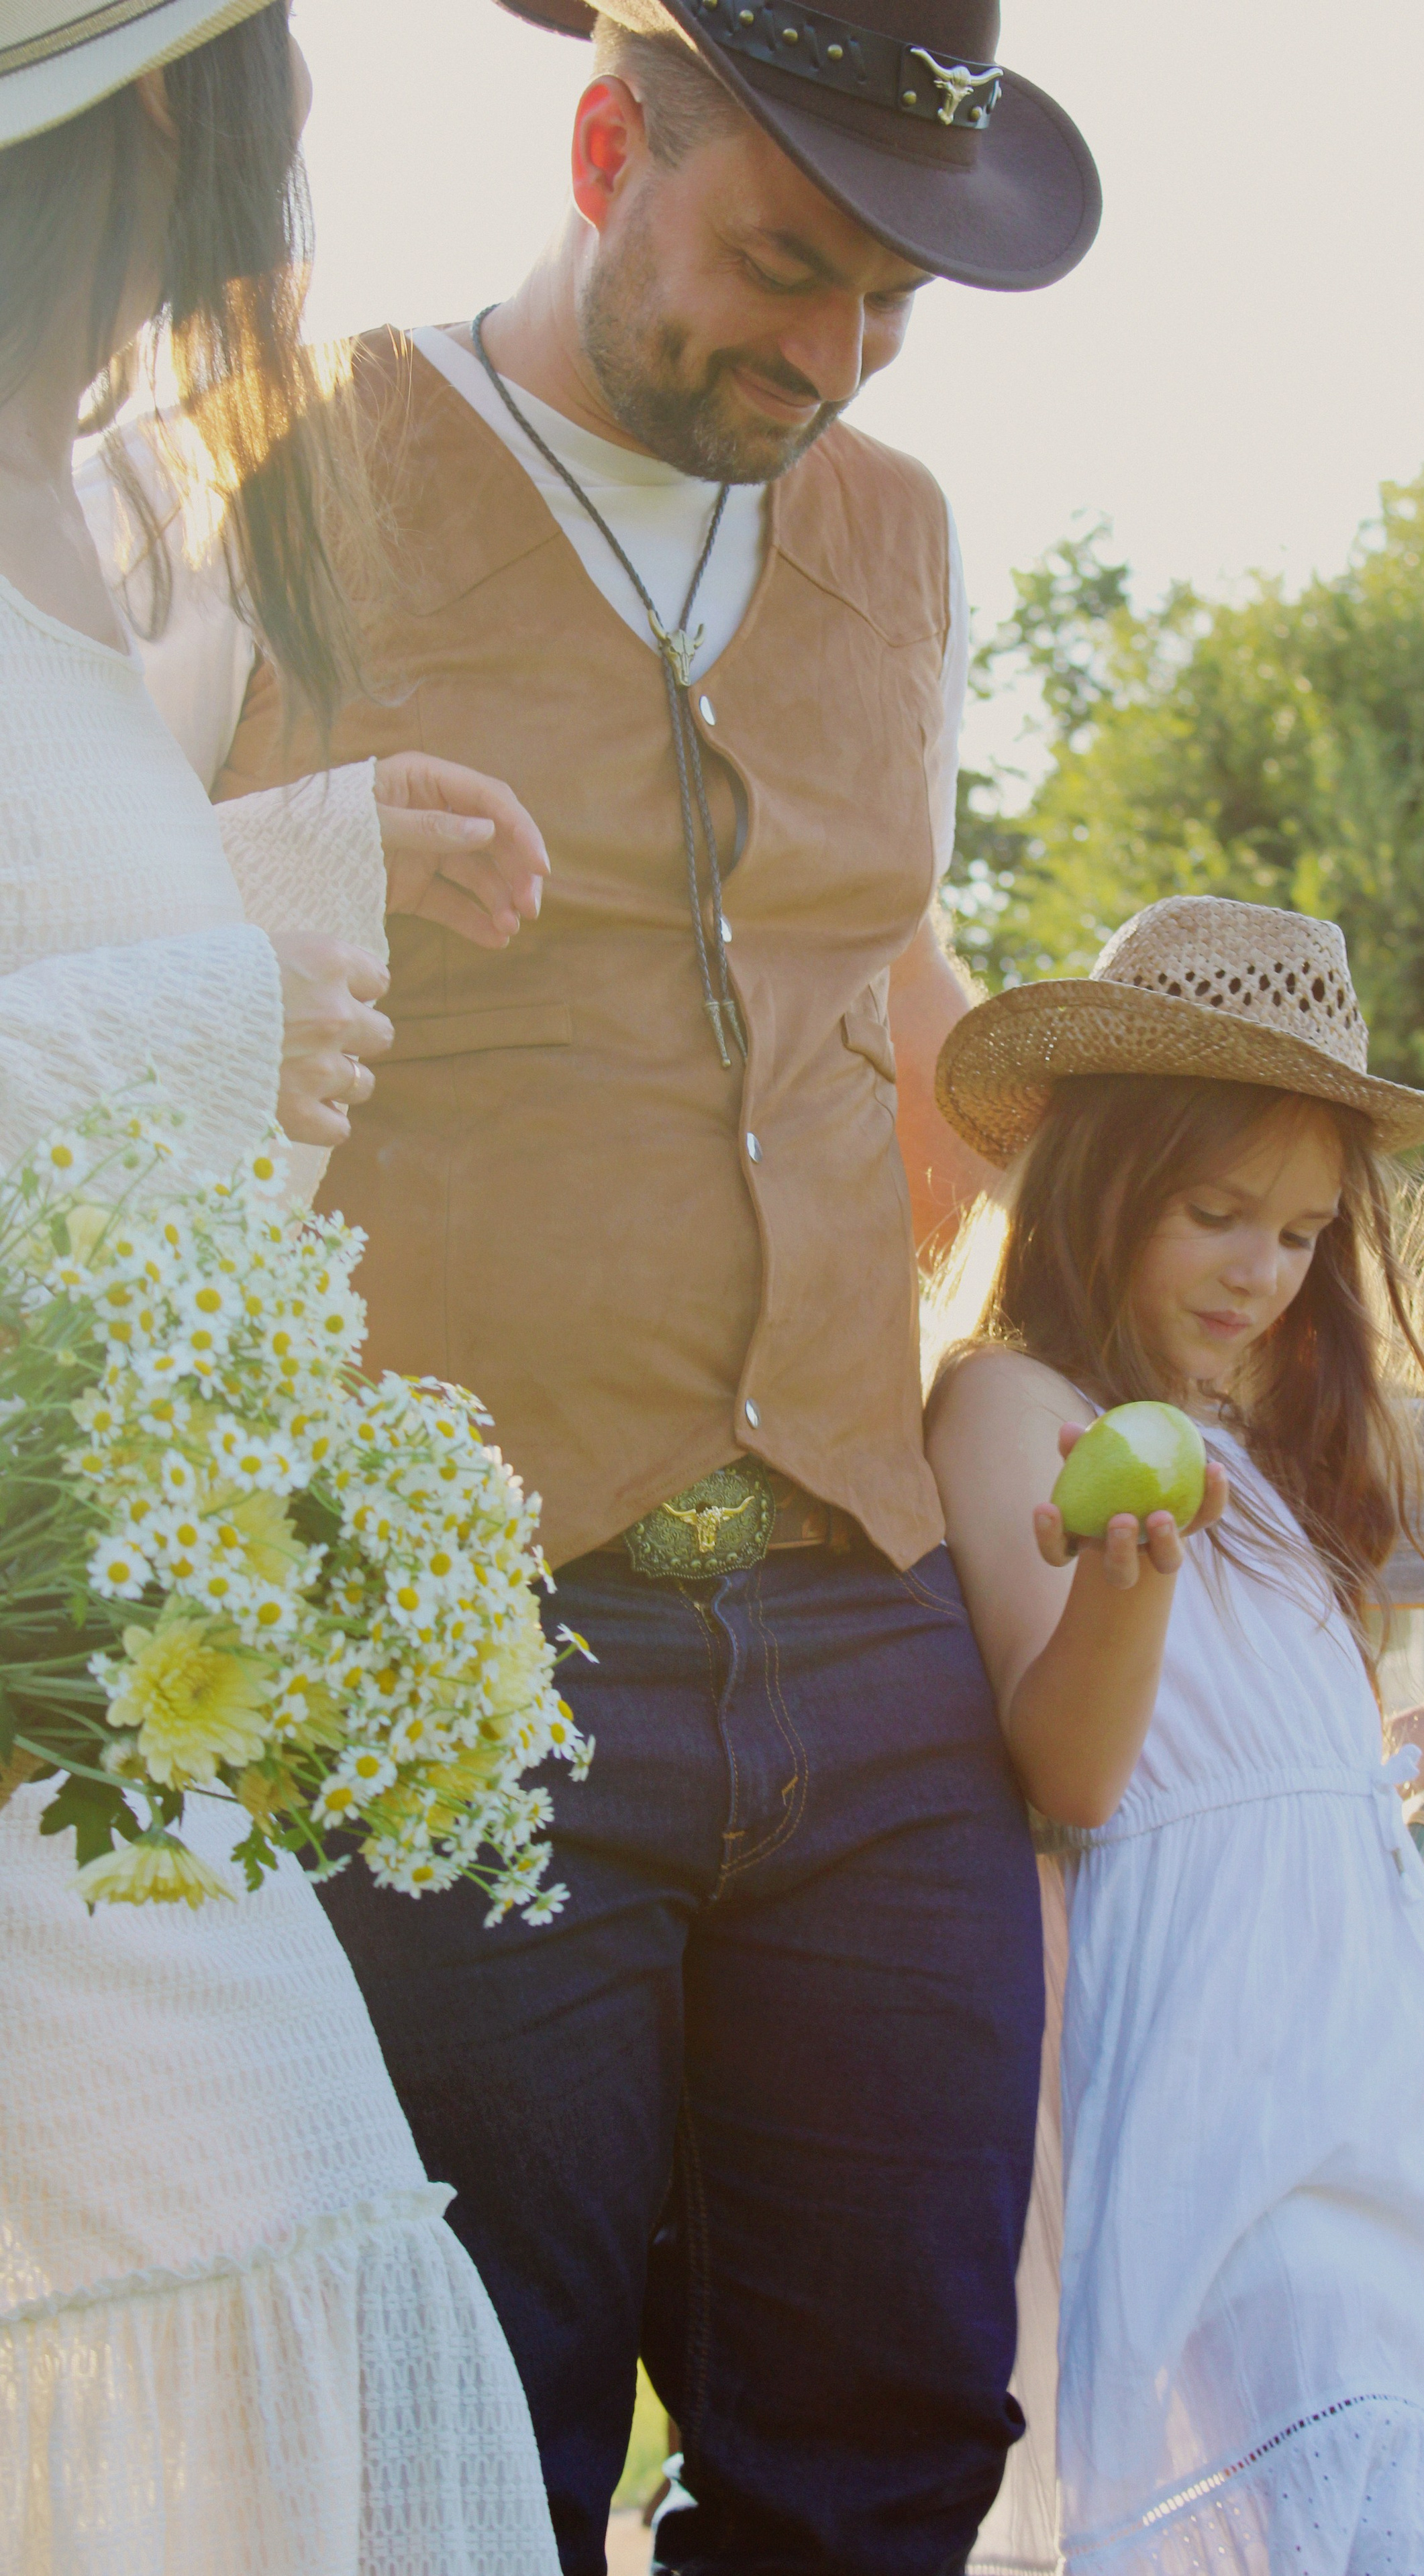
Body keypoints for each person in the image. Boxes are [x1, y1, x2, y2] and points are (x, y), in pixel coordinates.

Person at [214, 3, 1101, 2568]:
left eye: (887, 313)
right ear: (607, 145)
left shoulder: (902, 533)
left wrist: (1151, 1218)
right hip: (454, 1651)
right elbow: (92, 933)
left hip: (864, 1628)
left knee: (897, 2434)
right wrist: (300, 848)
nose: (822, 361)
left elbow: (874, 970)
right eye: (781, 269)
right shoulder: (289, 469)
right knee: (480, 2454)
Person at [0, 8, 562, 2569]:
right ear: (146, 116)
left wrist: (285, 866)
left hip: (90, 1691)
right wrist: (216, 999)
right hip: (38, 1753)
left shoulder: (94, 515)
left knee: (276, 2323)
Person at [925, 895, 1424, 2576]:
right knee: (1296, 2467)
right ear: (1098, 1194)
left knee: (1374, 2445)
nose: (1261, 1271)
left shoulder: (1241, 1462)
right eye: (1215, 1214)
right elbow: (1084, 1774)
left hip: (1366, 2061)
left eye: (1304, 1233)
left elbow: (1290, 1780)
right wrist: (1121, 1587)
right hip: (1205, 2053)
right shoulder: (1014, 1407)